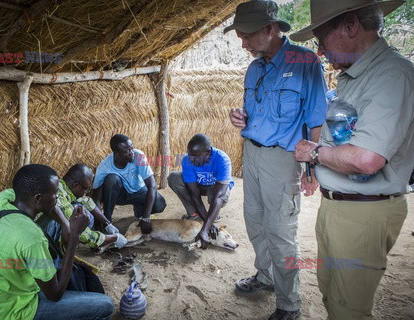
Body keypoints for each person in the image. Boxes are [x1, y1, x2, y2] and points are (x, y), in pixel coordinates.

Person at [290, 1, 414, 319]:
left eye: (321, 40)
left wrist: (314, 153)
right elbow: (345, 138)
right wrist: (320, 166)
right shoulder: (355, 76)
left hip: (364, 213)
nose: (319, 52)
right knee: (333, 294)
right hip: (341, 206)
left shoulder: (392, 74)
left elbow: (367, 158)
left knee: (349, 310)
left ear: (349, 26)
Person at [224, 1, 328, 319]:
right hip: (252, 154)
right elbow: (254, 112)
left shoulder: (305, 61)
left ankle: (289, 303)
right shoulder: (255, 67)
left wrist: (312, 168)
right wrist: (243, 118)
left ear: (270, 30)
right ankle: (266, 277)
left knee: (281, 230)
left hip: (283, 160)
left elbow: (316, 119)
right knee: (255, 222)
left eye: (247, 36)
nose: (242, 43)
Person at [0, 164, 114, 320]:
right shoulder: (31, 237)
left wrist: (65, 224)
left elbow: (53, 208)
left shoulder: (5, 197)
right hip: (10, 313)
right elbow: (55, 294)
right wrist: (74, 236)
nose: (58, 198)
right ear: (37, 198)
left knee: (54, 225)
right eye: (56, 194)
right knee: (105, 306)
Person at [36, 163, 127, 250]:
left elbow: (86, 200)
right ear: (75, 185)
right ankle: (55, 251)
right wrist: (113, 238)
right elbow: (78, 229)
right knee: (80, 215)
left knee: (81, 208)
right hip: (36, 237)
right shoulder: (58, 198)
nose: (86, 192)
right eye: (86, 189)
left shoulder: (63, 187)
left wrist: (107, 224)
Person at [167, 134, 233, 248]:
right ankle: (196, 213)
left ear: (207, 153)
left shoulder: (222, 160)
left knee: (216, 198)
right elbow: (194, 194)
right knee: (174, 178)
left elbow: (219, 196)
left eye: (195, 156)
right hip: (199, 186)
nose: (191, 159)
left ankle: (213, 214)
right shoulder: (187, 160)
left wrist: (206, 228)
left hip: (215, 187)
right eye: (189, 155)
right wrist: (209, 225)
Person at [92, 134, 166, 234]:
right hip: (120, 196)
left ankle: (140, 212)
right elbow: (96, 198)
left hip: (139, 191)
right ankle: (108, 221)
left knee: (160, 203)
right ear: (116, 154)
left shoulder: (138, 156)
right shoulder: (105, 166)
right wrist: (101, 222)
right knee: (111, 179)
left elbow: (152, 186)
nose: (132, 153)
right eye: (127, 151)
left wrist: (146, 218)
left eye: (132, 148)